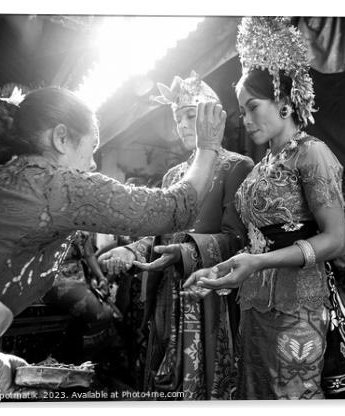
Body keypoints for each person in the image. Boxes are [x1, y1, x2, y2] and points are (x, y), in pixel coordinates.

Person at [0, 86, 226, 401]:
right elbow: (176, 208)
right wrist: (208, 147)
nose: (93, 165)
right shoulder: (57, 183)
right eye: (92, 147)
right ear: (61, 138)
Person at [183, 17, 345, 400]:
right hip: (254, 305)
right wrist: (221, 267)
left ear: (284, 103)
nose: (246, 119)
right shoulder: (263, 165)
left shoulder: (311, 153)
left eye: (253, 108)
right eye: (242, 111)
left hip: (297, 308)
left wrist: (258, 264)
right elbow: (260, 244)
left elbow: (335, 241)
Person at [97, 71, 254, 399]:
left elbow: (239, 240)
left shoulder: (236, 166)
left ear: (212, 120)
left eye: (191, 116)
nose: (183, 125)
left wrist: (184, 252)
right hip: (169, 291)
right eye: (177, 118)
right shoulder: (174, 175)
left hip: (207, 291)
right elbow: (161, 232)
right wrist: (134, 251)